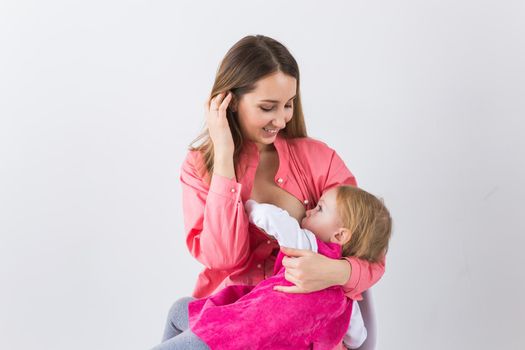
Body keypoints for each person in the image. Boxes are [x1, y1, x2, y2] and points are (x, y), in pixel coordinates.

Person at [158, 34, 386, 349]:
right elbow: (225, 259)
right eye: (268, 107)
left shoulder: (318, 159)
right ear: (231, 101)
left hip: (294, 328)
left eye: (288, 105)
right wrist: (224, 158)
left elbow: (370, 249)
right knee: (177, 312)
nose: (281, 119)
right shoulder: (200, 166)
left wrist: (335, 270)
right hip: (234, 314)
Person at [150, 185, 392, 349]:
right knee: (180, 309)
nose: (309, 210)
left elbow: (275, 220)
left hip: (231, 339)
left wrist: (250, 207)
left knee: (179, 323)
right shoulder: (348, 301)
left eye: (319, 209)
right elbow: (359, 337)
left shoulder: (308, 246)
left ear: (339, 235)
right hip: (239, 328)